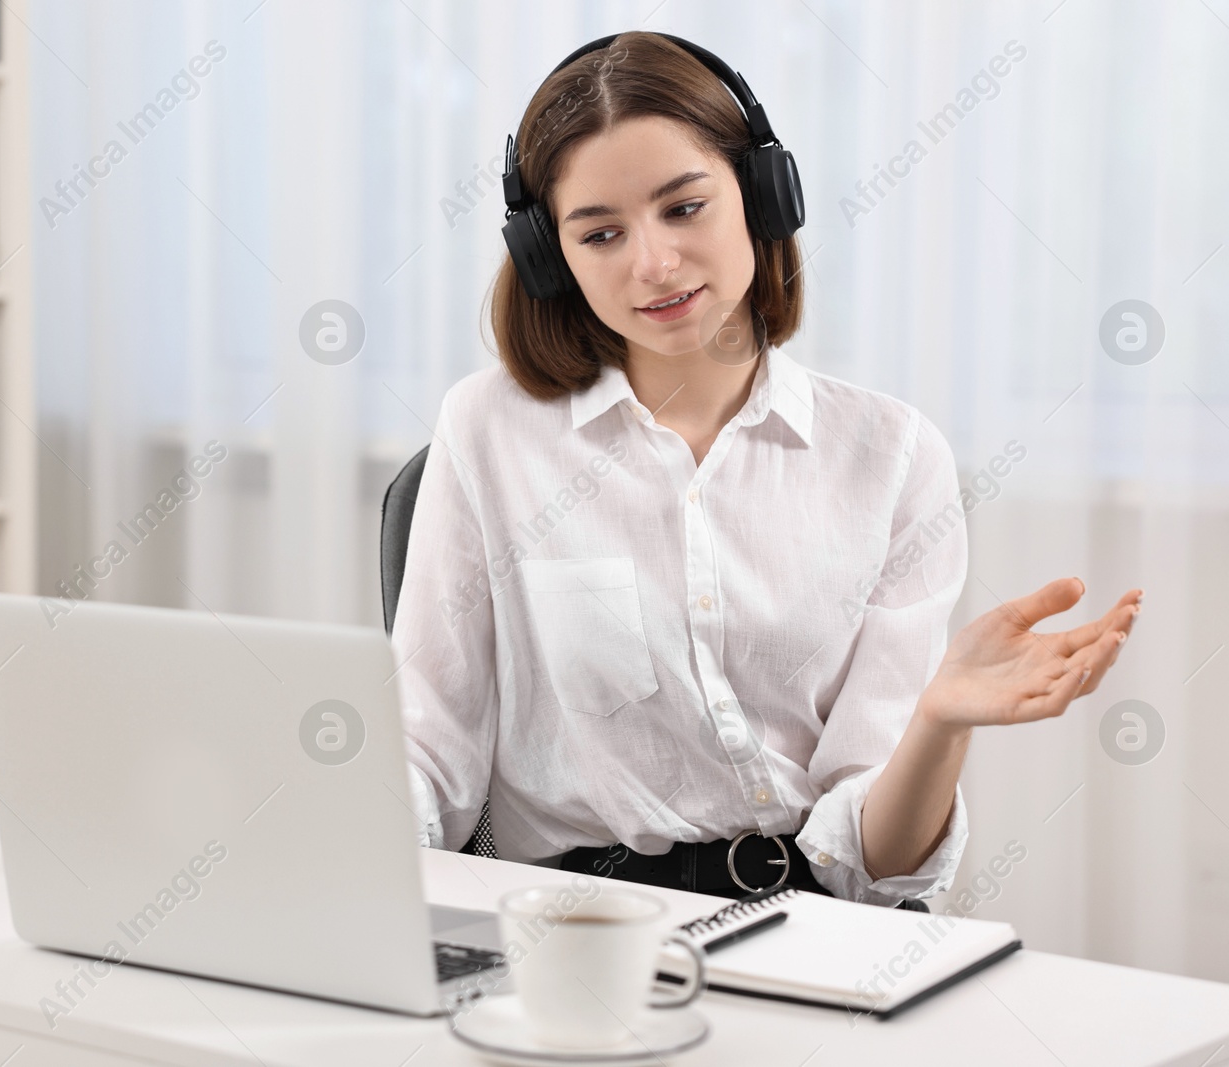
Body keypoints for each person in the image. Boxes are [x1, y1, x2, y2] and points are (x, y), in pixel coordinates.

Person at [392, 30, 1139, 908]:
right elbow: (424, 755)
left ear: (761, 197)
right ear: (551, 258)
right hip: (578, 935)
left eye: (683, 207)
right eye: (600, 233)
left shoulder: (892, 457)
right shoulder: (489, 433)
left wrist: (939, 720)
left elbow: (872, 863)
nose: (654, 263)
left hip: (811, 930)